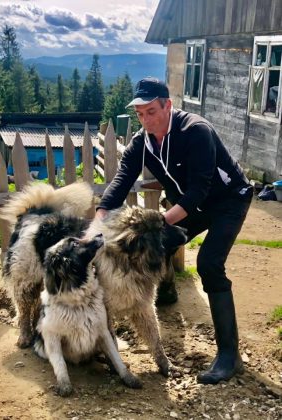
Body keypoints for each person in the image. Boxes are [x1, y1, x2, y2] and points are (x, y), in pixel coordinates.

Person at [94, 77, 253, 385]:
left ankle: (229, 357)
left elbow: (199, 188)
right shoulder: (143, 142)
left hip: (228, 200)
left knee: (209, 264)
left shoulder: (196, 131)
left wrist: (159, 223)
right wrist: (99, 218)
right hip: (190, 203)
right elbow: (122, 178)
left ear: (167, 105)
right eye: (140, 114)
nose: (145, 119)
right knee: (160, 245)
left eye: (151, 111)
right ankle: (164, 294)